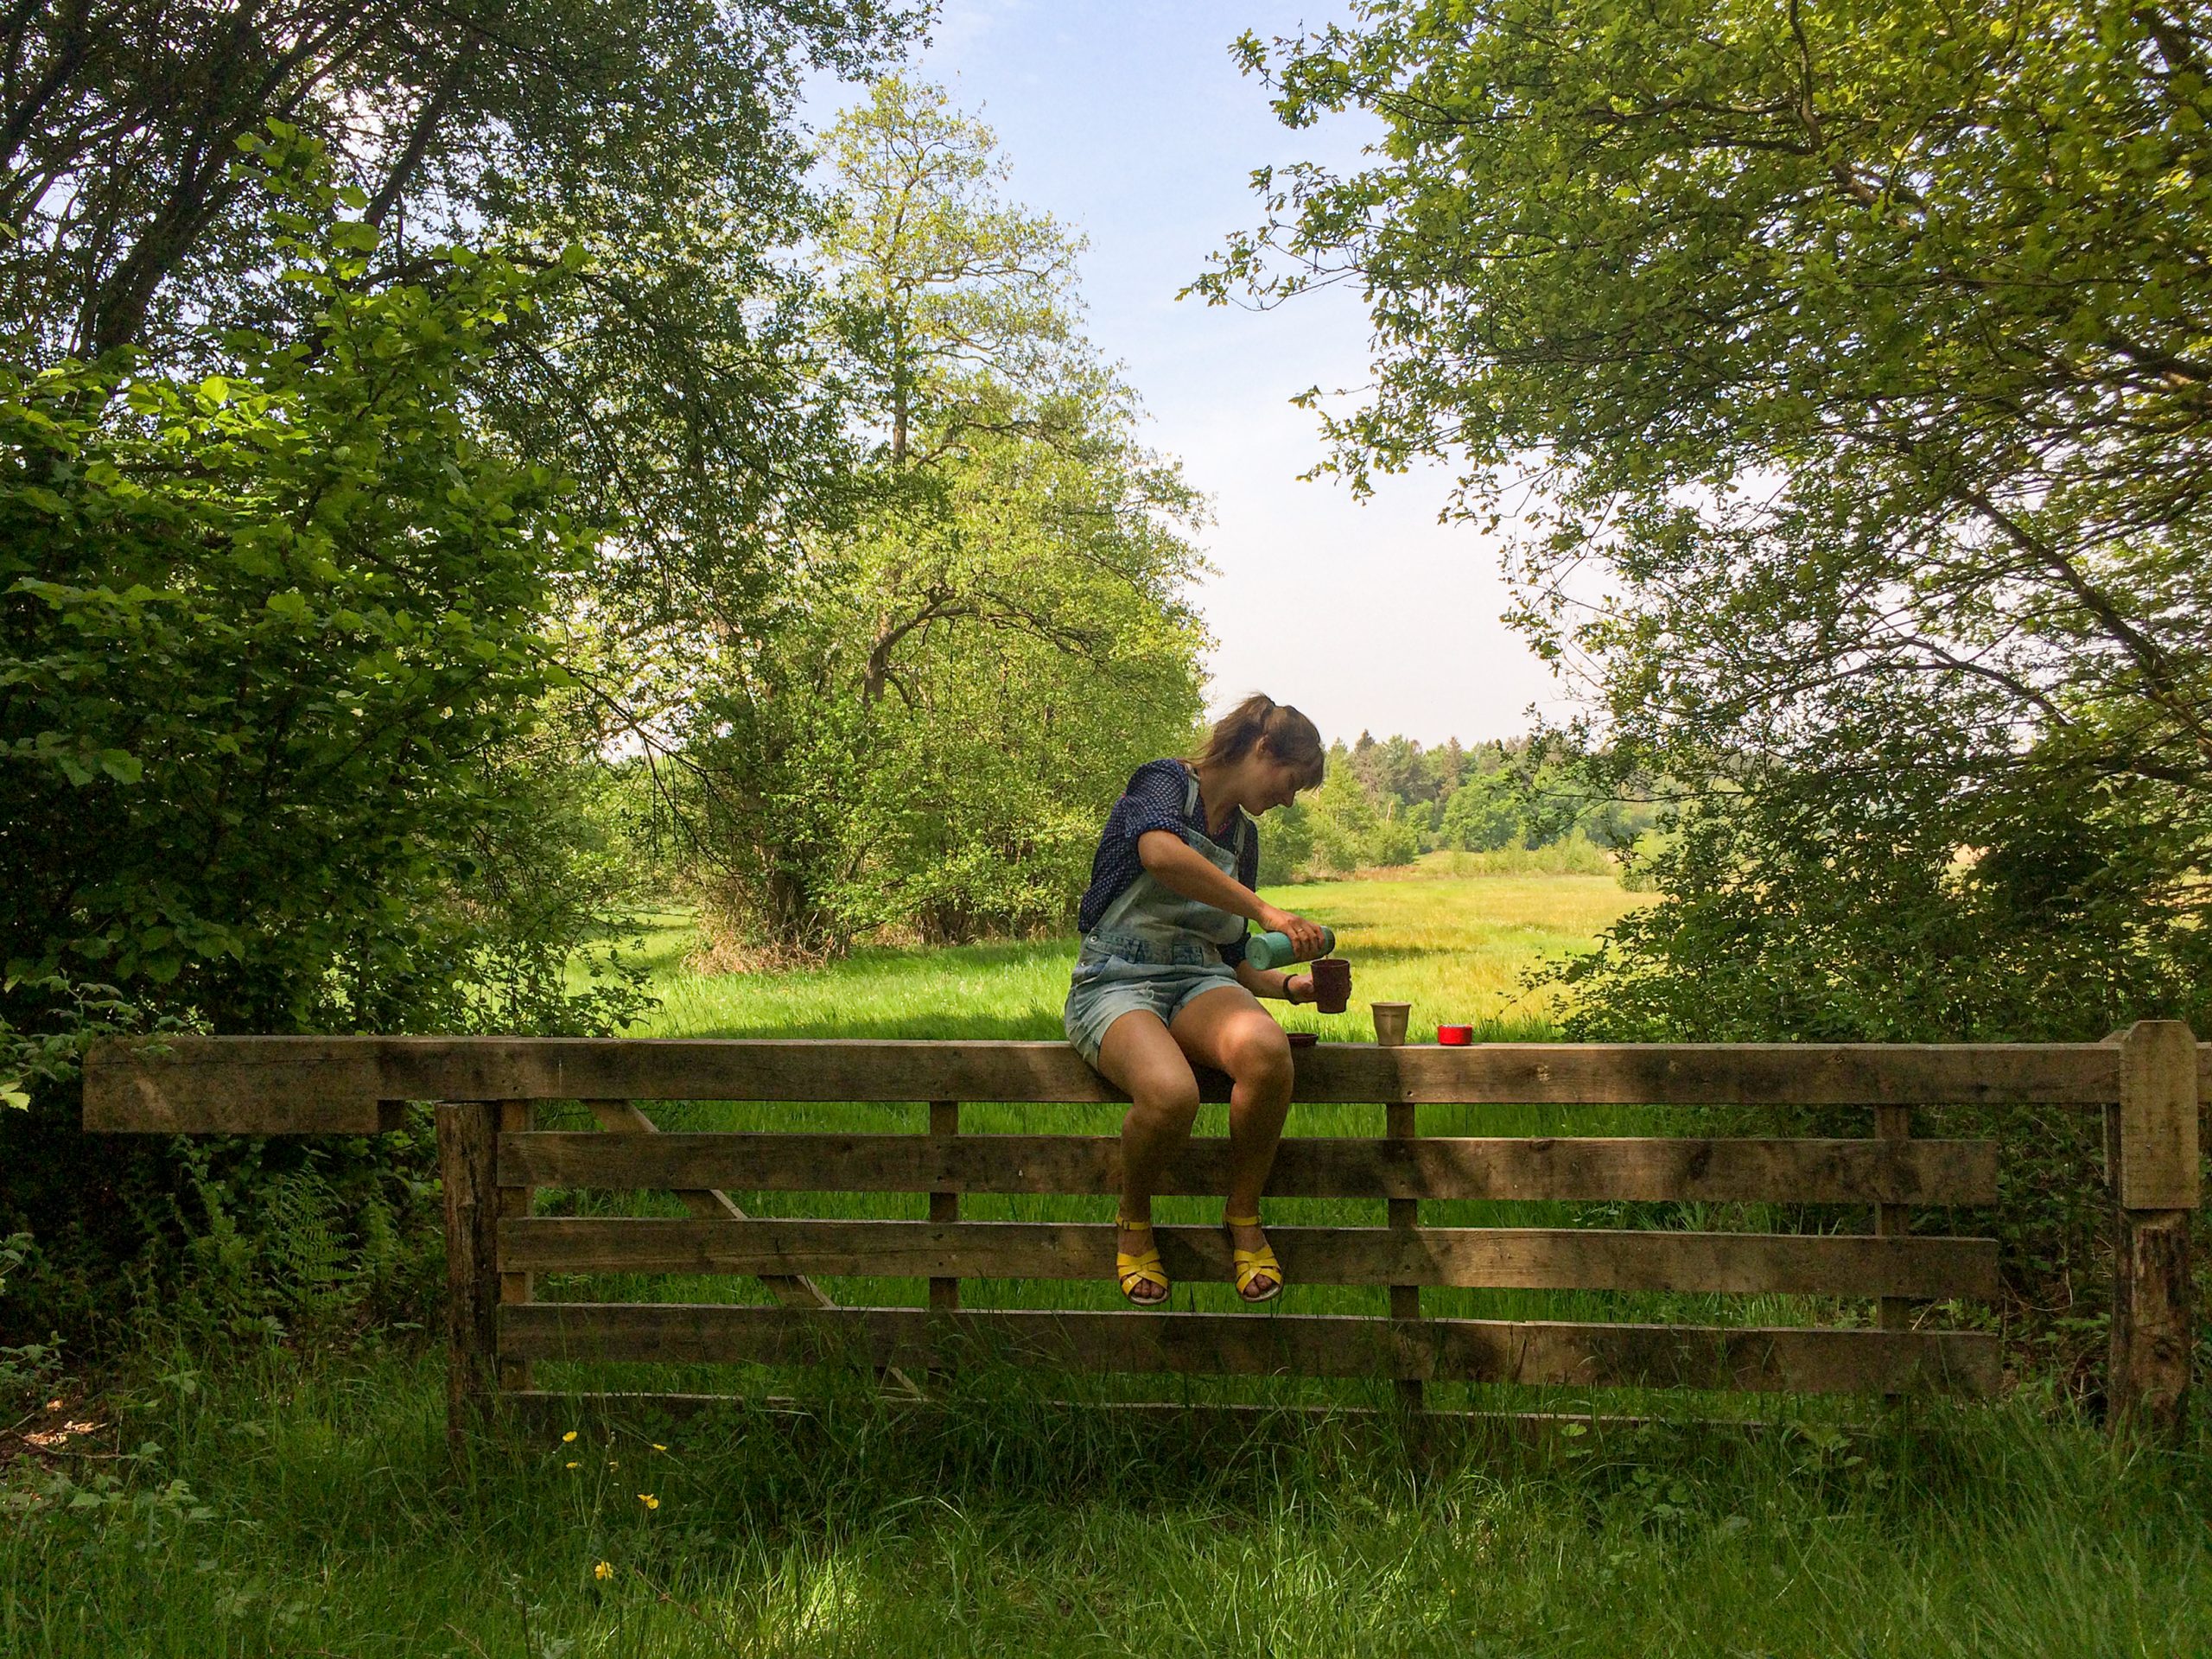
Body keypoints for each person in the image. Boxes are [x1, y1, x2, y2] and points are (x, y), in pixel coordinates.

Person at [1064, 694, 1332, 1306]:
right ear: (1263, 749)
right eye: (1292, 782)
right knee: (1171, 1094)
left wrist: (1293, 987)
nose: (1289, 800)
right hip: (1116, 977)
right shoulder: (1163, 782)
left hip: (1198, 978)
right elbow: (1160, 855)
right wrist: (1265, 910)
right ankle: (1133, 1221)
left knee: (1265, 1052)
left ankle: (1243, 1215)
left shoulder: (1243, 839)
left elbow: (1235, 959)